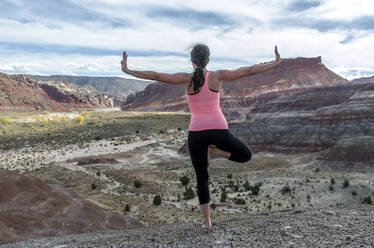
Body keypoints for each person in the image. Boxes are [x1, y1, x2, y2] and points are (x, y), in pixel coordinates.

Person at [121, 44, 281, 229]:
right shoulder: (217, 76)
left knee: (201, 178)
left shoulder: (186, 79)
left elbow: (156, 75)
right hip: (219, 130)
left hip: (196, 134)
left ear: (192, 61)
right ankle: (215, 152)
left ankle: (207, 222)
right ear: (208, 59)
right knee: (245, 155)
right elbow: (249, 70)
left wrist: (128, 69)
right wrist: (275, 62)